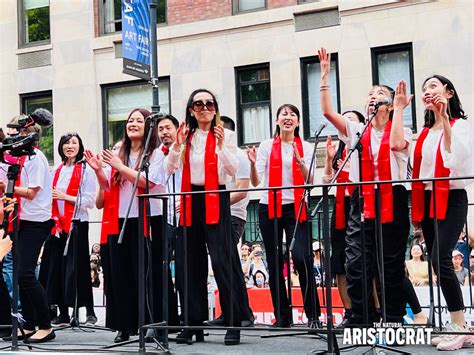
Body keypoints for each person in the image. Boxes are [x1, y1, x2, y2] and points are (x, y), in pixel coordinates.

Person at [318, 47, 413, 326]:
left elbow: (396, 145)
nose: (372, 98)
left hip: (391, 196)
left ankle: (393, 317)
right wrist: (325, 76)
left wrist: (397, 111)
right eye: (369, 95)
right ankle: (362, 316)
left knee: (391, 263)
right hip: (363, 198)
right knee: (356, 261)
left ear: (391, 103)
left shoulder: (403, 130)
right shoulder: (357, 131)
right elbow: (326, 112)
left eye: (379, 94)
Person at [166, 89, 251, 346]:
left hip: (216, 195)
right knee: (189, 265)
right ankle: (193, 323)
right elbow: (170, 168)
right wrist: (178, 145)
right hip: (191, 198)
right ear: (191, 110)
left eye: (209, 103)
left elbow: (233, 171)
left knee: (223, 262)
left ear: (215, 108)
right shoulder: (186, 137)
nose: (204, 107)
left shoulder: (227, 135)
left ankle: (233, 321)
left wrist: (223, 145)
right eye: (198, 104)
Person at [85, 108, 177, 343]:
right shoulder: (119, 152)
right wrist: (98, 171)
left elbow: (149, 182)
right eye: (130, 120)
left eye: (139, 120)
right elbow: (107, 188)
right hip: (120, 219)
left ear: (148, 127)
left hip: (148, 220)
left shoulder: (155, 154)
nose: (133, 123)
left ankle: (151, 323)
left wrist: (118, 166)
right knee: (121, 273)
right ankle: (124, 326)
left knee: (147, 274)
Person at [411, 74, 474, 350]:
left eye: (433, 86)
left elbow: (455, 158)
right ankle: (455, 323)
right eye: (425, 88)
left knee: (441, 258)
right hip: (426, 199)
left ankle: (461, 326)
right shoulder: (423, 134)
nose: (428, 91)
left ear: (448, 92)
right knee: (435, 262)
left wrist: (444, 117)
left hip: (451, 197)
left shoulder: (460, 126)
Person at [248, 103, 321, 328]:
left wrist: (300, 164)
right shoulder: (267, 145)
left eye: (292, 114)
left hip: (296, 206)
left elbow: (310, 183)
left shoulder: (306, 147)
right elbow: (256, 182)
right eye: (283, 114)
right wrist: (251, 164)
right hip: (269, 205)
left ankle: (314, 316)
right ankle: (282, 316)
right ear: (277, 121)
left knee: (302, 257)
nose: (288, 117)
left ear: (298, 122)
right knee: (273, 259)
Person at [1, 117, 55, 343]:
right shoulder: (20, 157)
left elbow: (32, 192)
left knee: (24, 273)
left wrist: (7, 188)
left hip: (36, 221)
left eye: (16, 131)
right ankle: (32, 322)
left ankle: (46, 324)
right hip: (21, 220)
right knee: (22, 275)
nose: (12, 135)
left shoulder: (35, 157)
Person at [41, 133, 97, 327]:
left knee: (79, 267)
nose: (70, 146)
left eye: (74, 143)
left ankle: (89, 311)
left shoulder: (86, 170)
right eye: (66, 143)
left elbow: (89, 201)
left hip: (77, 223)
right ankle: (62, 312)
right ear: (61, 147)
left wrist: (65, 196)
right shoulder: (56, 170)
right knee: (57, 268)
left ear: (80, 146)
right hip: (57, 226)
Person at [323, 110, 365, 326]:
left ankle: (370, 311)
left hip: (361, 203)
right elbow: (327, 181)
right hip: (341, 206)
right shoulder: (339, 150)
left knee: (363, 261)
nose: (346, 123)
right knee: (339, 262)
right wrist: (330, 161)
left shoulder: (364, 145)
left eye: (351, 120)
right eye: (343, 118)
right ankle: (348, 313)